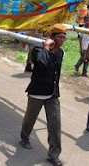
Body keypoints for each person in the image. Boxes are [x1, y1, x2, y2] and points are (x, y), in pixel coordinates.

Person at [20, 24, 67, 166]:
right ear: (51, 37)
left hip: (52, 94)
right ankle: (25, 137)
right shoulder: (39, 49)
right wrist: (47, 47)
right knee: (30, 119)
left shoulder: (60, 52)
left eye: (64, 37)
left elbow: (56, 73)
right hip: (37, 92)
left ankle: (54, 154)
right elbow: (41, 63)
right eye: (59, 37)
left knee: (55, 125)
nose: (62, 40)